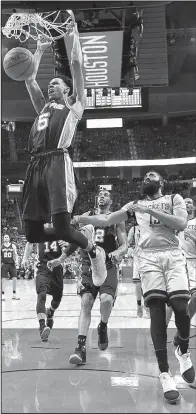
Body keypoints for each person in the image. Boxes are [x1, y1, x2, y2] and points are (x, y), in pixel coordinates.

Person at [73, 171, 195, 404]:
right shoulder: (134, 205)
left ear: (161, 182)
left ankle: (182, 350)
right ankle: (165, 373)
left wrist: (149, 210)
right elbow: (107, 220)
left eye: (152, 175)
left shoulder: (174, 199)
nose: (147, 177)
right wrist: (82, 219)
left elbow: (180, 223)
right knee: (157, 312)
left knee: (181, 308)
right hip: (148, 258)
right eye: (145, 176)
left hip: (172, 255)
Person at [21, 22, 106, 287]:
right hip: (35, 165)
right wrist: (38, 49)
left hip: (58, 161)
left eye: (56, 83)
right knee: (32, 234)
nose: (51, 86)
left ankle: (92, 248)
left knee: (60, 227)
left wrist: (74, 37)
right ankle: (78, 233)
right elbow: (29, 78)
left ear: (67, 91)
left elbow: (78, 67)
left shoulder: (74, 106)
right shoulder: (43, 108)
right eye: (51, 84)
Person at [47, 189, 128, 364]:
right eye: (99, 193)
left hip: (108, 264)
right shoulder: (87, 216)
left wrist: (115, 253)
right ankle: (80, 347)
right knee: (86, 302)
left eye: (106, 194)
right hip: (88, 264)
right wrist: (60, 259)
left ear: (111, 200)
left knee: (106, 300)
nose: (102, 196)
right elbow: (77, 240)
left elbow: (124, 246)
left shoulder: (116, 219)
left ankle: (103, 326)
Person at [22, 224, 65, 341]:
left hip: (57, 267)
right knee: (41, 295)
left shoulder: (61, 228)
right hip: (42, 267)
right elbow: (30, 242)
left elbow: (72, 242)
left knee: (57, 298)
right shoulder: (39, 228)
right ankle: (42, 326)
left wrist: (66, 243)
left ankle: (50, 312)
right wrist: (25, 258)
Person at [166, 197, 196, 344]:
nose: (187, 203)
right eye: (185, 202)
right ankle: (164, 332)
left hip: (194, 262)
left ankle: (181, 330)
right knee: (174, 301)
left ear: (194, 207)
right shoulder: (176, 222)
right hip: (181, 262)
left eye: (190, 202)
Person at [1, 234, 20, 300]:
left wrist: (17, 262)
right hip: (5, 264)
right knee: (3, 279)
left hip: (12, 264)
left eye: (7, 237)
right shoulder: (1, 247)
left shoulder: (13, 246)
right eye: (5, 237)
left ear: (9, 238)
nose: (6, 238)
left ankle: (14, 294)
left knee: (14, 279)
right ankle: (2, 294)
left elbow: (16, 254)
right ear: (3, 239)